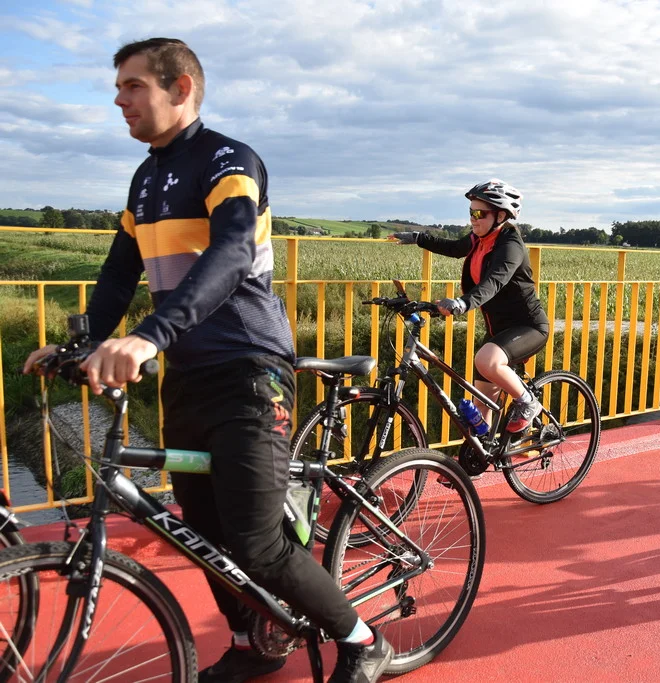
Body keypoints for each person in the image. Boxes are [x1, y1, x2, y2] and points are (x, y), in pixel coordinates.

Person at [22, 38, 391, 683]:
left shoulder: (228, 160)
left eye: (133, 85)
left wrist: (148, 336)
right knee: (204, 532)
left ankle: (363, 640)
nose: (119, 99)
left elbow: (231, 253)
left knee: (256, 541)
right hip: (189, 376)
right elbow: (117, 274)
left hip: (250, 368)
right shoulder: (146, 178)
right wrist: (79, 346)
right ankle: (256, 640)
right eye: (120, 87)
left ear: (181, 87)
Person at [390, 179, 549, 432]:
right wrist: (418, 238)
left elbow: (493, 282)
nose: (473, 219)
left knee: (486, 360)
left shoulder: (510, 245)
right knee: (482, 403)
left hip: (528, 327)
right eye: (471, 212)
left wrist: (463, 303)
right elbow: (454, 248)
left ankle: (529, 402)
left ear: (501, 215)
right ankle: (471, 464)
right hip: (498, 331)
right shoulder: (479, 238)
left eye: (479, 213)